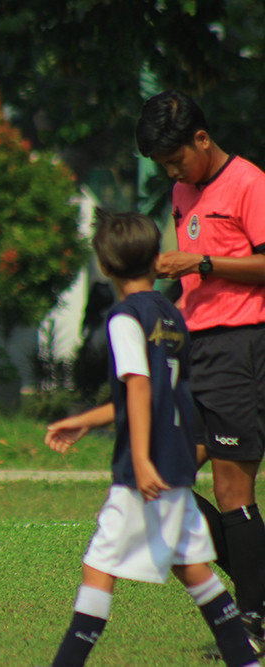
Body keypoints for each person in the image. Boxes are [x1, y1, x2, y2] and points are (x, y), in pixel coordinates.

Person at [43, 210, 258, 667]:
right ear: (157, 260)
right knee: (194, 569)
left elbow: (138, 386)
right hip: (178, 459)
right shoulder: (172, 314)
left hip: (147, 468)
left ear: (104, 265)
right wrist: (90, 419)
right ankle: (247, 661)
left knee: (97, 569)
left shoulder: (124, 318)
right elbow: (159, 387)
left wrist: (139, 459)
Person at [136, 90, 265, 644]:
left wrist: (205, 263)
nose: (172, 171)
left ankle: (253, 618)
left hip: (240, 348)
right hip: (193, 351)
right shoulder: (181, 192)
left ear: (202, 139)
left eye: (175, 159)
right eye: (163, 166)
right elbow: (195, 270)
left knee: (233, 489)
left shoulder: (250, 184)